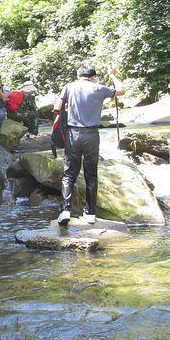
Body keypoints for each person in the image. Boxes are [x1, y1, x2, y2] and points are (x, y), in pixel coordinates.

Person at [53, 66, 124, 226]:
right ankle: (90, 213)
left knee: (69, 175)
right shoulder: (99, 88)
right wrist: (112, 76)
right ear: (93, 77)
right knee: (91, 175)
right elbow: (120, 91)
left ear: (78, 76)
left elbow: (57, 107)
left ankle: (65, 211)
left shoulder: (69, 87)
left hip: (73, 135)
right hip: (92, 135)